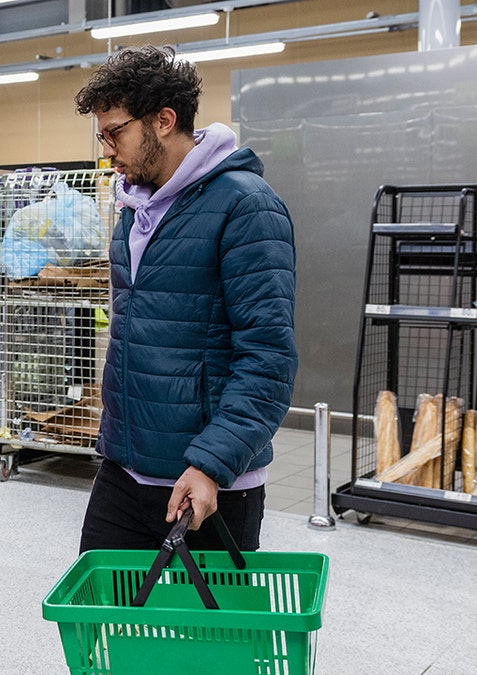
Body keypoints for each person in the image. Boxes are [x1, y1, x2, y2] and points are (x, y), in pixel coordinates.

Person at [75, 45, 297, 553]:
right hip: (124, 470)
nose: (107, 149)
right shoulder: (135, 209)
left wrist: (212, 463)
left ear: (164, 120)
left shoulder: (246, 206)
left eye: (115, 132)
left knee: (202, 632)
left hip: (204, 483)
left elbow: (268, 355)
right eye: (101, 135)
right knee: (103, 623)